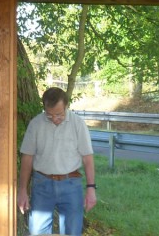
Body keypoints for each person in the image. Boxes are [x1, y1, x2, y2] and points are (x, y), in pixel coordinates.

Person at [17, 87, 97, 236]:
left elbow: (87, 158)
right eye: (49, 115)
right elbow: (27, 158)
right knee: (37, 233)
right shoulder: (35, 124)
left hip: (71, 185)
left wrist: (91, 188)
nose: (54, 119)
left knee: (72, 232)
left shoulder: (78, 124)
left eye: (59, 114)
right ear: (44, 108)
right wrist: (22, 190)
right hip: (42, 185)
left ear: (66, 106)